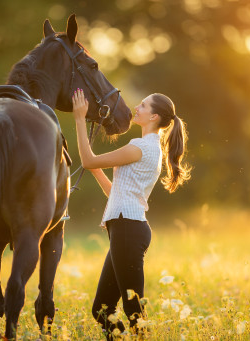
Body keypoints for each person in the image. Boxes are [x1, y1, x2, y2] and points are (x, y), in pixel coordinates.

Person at [71, 89, 191, 340]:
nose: (137, 107)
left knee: (133, 309)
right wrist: (96, 169)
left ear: (154, 117)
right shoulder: (151, 148)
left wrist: (80, 118)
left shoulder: (140, 147)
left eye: (144, 106)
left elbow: (87, 160)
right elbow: (116, 191)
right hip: (126, 228)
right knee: (102, 310)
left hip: (128, 229)